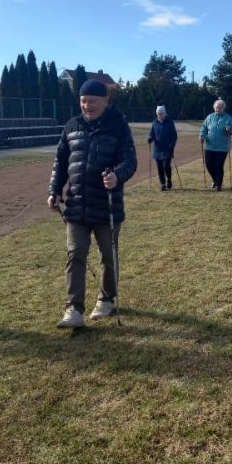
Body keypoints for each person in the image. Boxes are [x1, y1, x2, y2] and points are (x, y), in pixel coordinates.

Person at [48, 78, 137, 328]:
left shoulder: (118, 125)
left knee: (108, 255)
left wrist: (117, 175)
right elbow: (60, 162)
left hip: (107, 205)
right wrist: (54, 190)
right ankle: (73, 309)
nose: (87, 106)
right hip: (76, 205)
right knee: (75, 254)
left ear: (105, 101)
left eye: (93, 101)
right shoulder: (71, 126)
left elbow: (130, 161)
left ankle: (106, 299)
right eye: (83, 101)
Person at [199, 98, 232, 191]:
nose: (217, 109)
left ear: (223, 108)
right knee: (209, 165)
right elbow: (204, 127)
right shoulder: (210, 117)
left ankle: (218, 185)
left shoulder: (228, 118)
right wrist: (202, 135)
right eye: (216, 108)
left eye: (219, 108)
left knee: (219, 166)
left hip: (222, 147)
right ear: (214, 108)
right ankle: (215, 180)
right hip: (209, 146)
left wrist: (230, 130)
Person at [148, 104, 177, 191]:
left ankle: (169, 179)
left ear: (165, 114)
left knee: (166, 166)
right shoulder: (154, 123)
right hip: (157, 149)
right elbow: (151, 134)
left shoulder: (170, 122)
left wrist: (171, 145)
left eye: (161, 114)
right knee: (159, 167)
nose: (160, 116)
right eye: (158, 114)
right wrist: (150, 138)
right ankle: (163, 184)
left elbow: (174, 136)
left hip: (167, 149)